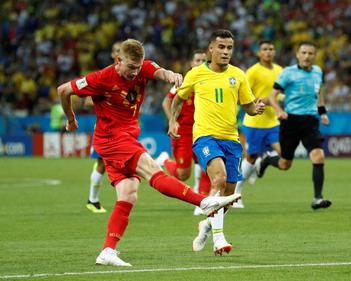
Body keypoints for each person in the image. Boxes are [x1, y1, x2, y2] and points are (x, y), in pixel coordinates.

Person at [57, 38, 240, 266]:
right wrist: (71, 118)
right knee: (154, 171)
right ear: (118, 60)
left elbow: (160, 72)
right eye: (130, 67)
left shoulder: (142, 67)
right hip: (112, 138)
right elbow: (63, 90)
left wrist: (172, 76)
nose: (135, 72)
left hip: (126, 136)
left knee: (128, 193)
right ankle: (203, 202)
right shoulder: (102, 78)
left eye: (138, 67)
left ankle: (107, 250)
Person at [168, 29, 265, 255]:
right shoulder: (195, 74)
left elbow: (248, 106)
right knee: (219, 180)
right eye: (221, 47)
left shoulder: (238, 75)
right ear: (210, 48)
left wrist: (256, 109)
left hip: (231, 139)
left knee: (228, 195)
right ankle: (219, 239)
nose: (225, 52)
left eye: (229, 48)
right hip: (204, 136)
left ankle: (207, 226)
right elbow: (178, 99)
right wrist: (173, 121)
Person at [258, 41, 332, 210]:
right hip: (290, 121)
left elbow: (319, 93)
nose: (307, 56)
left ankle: (317, 198)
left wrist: (322, 112)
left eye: (310, 53)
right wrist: (278, 110)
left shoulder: (318, 72)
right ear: (297, 54)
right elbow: (272, 95)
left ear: (314, 56)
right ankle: (268, 160)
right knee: (285, 164)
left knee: (318, 156)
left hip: (310, 121)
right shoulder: (288, 73)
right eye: (303, 53)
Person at [233, 40, 283, 208]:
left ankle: (266, 160)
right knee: (251, 157)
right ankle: (236, 193)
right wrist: (257, 102)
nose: (269, 52)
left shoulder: (279, 70)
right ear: (259, 53)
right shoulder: (253, 71)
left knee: (284, 155)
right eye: (265, 49)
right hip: (254, 121)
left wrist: (275, 101)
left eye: (271, 49)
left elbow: (282, 94)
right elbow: (243, 93)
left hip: (273, 122)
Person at [162, 50, 212, 216]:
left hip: (203, 129)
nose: (200, 63)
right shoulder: (183, 81)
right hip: (183, 131)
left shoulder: (210, 80)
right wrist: (172, 120)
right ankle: (164, 161)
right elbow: (166, 102)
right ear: (192, 64)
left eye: (203, 60)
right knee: (183, 175)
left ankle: (202, 201)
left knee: (208, 165)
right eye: (197, 60)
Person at [86, 41, 121, 214]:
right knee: (101, 163)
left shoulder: (132, 75)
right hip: (106, 129)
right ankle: (92, 199)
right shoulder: (104, 75)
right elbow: (87, 98)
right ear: (112, 54)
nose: (119, 54)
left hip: (123, 129)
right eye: (116, 51)